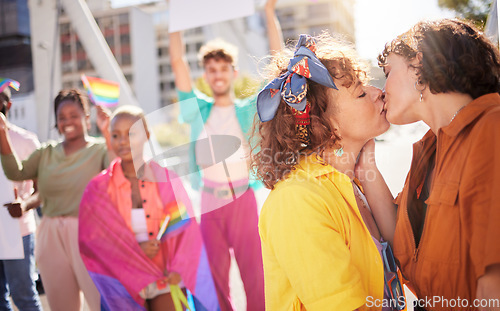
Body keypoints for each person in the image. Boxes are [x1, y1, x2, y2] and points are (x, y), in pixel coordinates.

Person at [252, 33, 395, 311]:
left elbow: (402, 253)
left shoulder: (351, 182)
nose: (380, 93)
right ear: (325, 125)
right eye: (362, 93)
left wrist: (369, 169)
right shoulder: (298, 200)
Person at [372, 19, 500, 310]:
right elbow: (399, 237)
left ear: (419, 63)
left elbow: (494, 284)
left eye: (388, 73)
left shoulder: (491, 129)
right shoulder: (432, 148)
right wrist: (364, 158)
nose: (381, 90)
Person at [168, 1, 283, 309]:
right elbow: (178, 61)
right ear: (205, 74)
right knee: (216, 281)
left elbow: (277, 65)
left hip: (242, 199)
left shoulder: (248, 110)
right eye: (210, 70)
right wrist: (174, 15)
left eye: (222, 69)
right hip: (208, 203)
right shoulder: (197, 109)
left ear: (233, 73)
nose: (217, 75)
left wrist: (269, 14)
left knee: (255, 277)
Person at [79, 105, 219, 311]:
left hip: (164, 274)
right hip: (123, 279)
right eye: (115, 135)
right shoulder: (98, 188)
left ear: (146, 135)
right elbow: (93, 241)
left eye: (131, 134)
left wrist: (178, 268)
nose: (122, 141)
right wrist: (135, 252)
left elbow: (184, 230)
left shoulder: (166, 180)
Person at [0, 89, 112, 311]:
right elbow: (16, 173)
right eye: (62, 117)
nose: (67, 121)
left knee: (103, 303)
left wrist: (109, 134)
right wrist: (3, 133)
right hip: (50, 236)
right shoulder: (47, 152)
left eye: (73, 115)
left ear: (87, 118)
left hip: (87, 233)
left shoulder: (99, 150)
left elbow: (118, 172)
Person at [0, 86, 43, 311]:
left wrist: (24, 204)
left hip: (18, 231)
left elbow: (42, 189)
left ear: (8, 105)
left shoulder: (26, 140)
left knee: (24, 295)